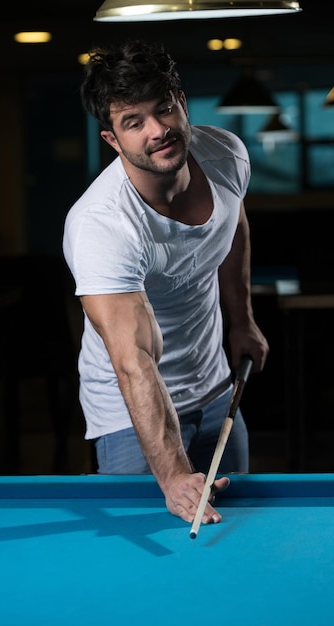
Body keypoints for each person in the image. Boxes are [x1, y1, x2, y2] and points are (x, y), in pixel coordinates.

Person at [62, 39, 269, 527]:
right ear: (113, 140)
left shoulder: (225, 153)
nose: (158, 131)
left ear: (181, 100)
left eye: (164, 109)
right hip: (130, 413)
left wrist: (243, 320)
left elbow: (232, 226)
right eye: (133, 122)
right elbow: (133, 361)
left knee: (233, 534)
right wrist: (174, 473)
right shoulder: (102, 225)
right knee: (152, 549)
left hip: (217, 387)